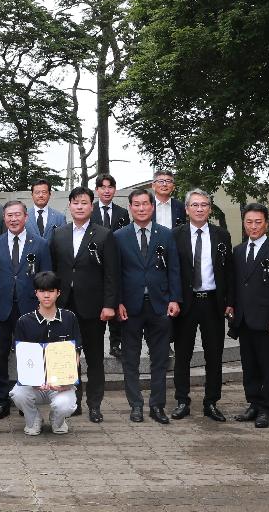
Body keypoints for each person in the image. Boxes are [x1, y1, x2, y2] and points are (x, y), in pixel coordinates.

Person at [49, 186, 119, 423]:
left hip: (93, 307)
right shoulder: (59, 234)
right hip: (64, 307)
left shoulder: (104, 234)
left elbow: (111, 274)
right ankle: (74, 400)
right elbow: (54, 271)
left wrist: (109, 304)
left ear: (92, 206)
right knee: (68, 356)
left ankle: (94, 404)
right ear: (69, 206)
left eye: (84, 203)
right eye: (75, 202)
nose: (79, 207)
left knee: (94, 357)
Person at [113, 187, 181, 425]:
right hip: (129, 307)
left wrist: (175, 298)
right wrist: (117, 301)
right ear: (130, 207)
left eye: (145, 204)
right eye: (137, 204)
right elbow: (115, 274)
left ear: (153, 207)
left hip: (160, 305)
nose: (141, 208)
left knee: (160, 359)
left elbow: (174, 269)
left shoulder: (166, 234)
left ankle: (157, 405)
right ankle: (136, 405)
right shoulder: (119, 236)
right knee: (130, 359)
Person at [171, 188, 234, 422]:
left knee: (214, 355)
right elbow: (171, 272)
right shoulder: (175, 235)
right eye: (195, 205)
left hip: (212, 303)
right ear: (187, 209)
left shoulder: (222, 235)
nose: (199, 209)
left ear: (210, 208)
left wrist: (230, 302)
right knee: (183, 355)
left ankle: (211, 402)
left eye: (204, 205)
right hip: (185, 304)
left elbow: (229, 271)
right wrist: (173, 299)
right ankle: (182, 400)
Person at [0, 200, 51, 420]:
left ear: (26, 217)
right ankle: (2, 401)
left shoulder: (40, 244)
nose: (13, 219)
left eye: (17, 215)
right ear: (4, 218)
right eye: (9, 216)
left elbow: (46, 279)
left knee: (29, 355)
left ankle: (27, 401)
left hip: (30, 309)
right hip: (0, 307)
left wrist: (44, 308)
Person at [229, 203, 269, 429]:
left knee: (267, 366)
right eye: (249, 222)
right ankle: (253, 403)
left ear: (266, 224)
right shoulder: (238, 250)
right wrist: (231, 306)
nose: (253, 227)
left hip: (267, 320)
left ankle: (266, 408)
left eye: (258, 222)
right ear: (244, 223)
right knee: (249, 365)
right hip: (244, 319)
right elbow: (236, 284)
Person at [11, 271, 81, 435]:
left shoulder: (69, 318)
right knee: (17, 394)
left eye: (51, 291)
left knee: (65, 405)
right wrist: (34, 380)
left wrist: (66, 381)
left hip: (61, 384)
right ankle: (33, 420)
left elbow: (76, 353)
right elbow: (21, 357)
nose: (46, 295)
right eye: (42, 291)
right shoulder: (24, 321)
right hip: (34, 384)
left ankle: (57, 420)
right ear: (36, 293)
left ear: (58, 293)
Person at [93, 173, 131, 358]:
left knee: (115, 303)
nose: (106, 190)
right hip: (95, 264)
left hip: (116, 262)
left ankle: (116, 344)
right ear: (97, 190)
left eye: (110, 187)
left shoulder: (122, 213)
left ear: (115, 190)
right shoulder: (89, 211)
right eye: (103, 187)